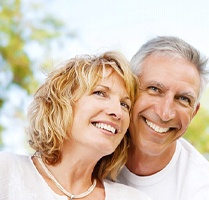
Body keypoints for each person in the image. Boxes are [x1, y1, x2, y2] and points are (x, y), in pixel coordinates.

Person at [0, 51, 152, 200]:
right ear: (61, 102)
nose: (117, 112)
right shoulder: (6, 171)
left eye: (125, 104)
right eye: (100, 93)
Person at [117, 36, 209, 200]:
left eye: (183, 99)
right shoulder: (90, 151)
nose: (165, 113)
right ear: (128, 88)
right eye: (154, 89)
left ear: (194, 112)